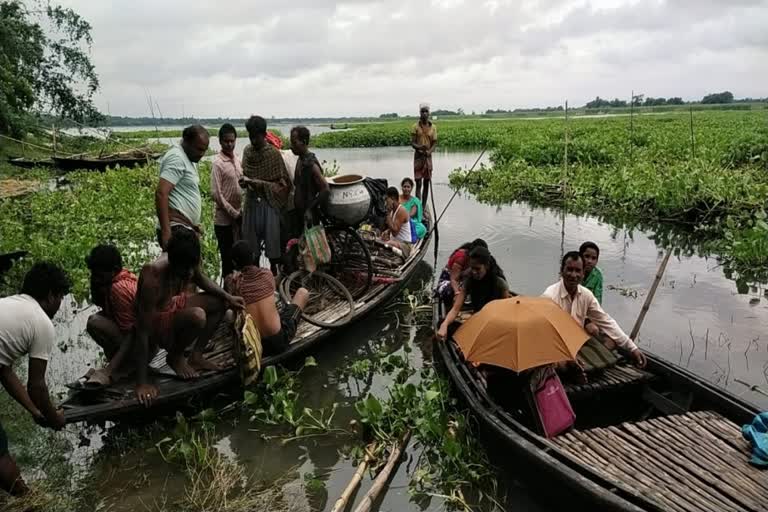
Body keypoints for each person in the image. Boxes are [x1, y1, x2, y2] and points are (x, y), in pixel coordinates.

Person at [133, 229, 245, 407]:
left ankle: (196, 355)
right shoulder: (152, 277)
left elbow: (201, 279)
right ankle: (175, 356)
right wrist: (142, 383)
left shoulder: (187, 261)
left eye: (192, 267)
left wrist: (228, 297)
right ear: (173, 261)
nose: (190, 273)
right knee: (197, 316)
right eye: (186, 269)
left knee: (220, 303)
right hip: (156, 324)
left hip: (173, 306)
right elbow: (142, 330)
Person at [0, 262, 70, 496]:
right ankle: (28, 502)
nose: (60, 304)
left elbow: (4, 371)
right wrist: (54, 416)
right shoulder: (41, 322)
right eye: (60, 297)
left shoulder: (9, 305)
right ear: (51, 295)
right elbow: (37, 386)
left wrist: (35, 411)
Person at [542, 251, 646, 368]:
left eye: (578, 271)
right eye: (569, 269)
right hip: (555, 346)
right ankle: (573, 364)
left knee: (612, 342)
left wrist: (633, 348)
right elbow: (546, 334)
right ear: (562, 271)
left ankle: (578, 364)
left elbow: (606, 321)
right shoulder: (550, 296)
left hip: (577, 343)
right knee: (560, 364)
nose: (573, 275)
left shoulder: (586, 295)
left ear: (583, 274)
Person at [226, 241, 308, 356]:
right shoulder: (266, 274)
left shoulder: (232, 281)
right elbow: (273, 286)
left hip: (254, 344)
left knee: (229, 314)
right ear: (253, 256)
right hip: (278, 342)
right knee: (303, 293)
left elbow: (230, 304)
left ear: (234, 263)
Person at [240, 115, 293, 273]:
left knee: (273, 248)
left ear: (264, 135)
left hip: (269, 205)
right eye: (250, 136)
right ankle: (254, 277)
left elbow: (283, 185)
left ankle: (274, 278)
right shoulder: (247, 151)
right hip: (251, 203)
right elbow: (244, 173)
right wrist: (244, 182)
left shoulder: (273, 154)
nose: (253, 141)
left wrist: (261, 184)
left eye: (256, 137)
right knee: (251, 247)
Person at [85, 244, 138, 386]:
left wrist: (109, 370)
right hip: (140, 341)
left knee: (94, 322)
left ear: (113, 270)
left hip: (141, 345)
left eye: (98, 274)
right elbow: (99, 302)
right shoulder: (118, 278)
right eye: (93, 274)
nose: (95, 278)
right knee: (98, 319)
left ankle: (126, 367)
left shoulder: (118, 289)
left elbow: (132, 334)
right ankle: (122, 366)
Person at [436, 246, 510, 340]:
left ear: (486, 266)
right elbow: (455, 309)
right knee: (442, 324)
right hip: (477, 321)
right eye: (472, 268)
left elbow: (506, 312)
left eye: (478, 269)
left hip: (494, 324)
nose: (474, 272)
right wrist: (444, 324)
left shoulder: (499, 284)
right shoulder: (469, 280)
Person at [155, 125, 210, 250]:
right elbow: (161, 194)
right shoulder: (177, 158)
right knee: (183, 268)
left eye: (205, 150)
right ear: (186, 141)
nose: (202, 154)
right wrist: (166, 232)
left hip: (185, 227)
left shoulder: (188, 158)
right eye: (199, 149)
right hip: (176, 229)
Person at [211, 123, 243, 279]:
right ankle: (228, 297)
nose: (229, 144)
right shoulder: (217, 163)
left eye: (232, 141)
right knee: (227, 259)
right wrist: (233, 213)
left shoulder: (237, 159)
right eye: (226, 141)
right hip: (224, 221)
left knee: (239, 258)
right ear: (220, 142)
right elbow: (217, 194)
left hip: (239, 218)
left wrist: (240, 212)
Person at [289, 125, 329, 237]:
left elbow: (325, 189)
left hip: (310, 216)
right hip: (301, 213)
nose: (291, 146)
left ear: (304, 142)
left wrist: (310, 209)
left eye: (294, 142)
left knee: (311, 250)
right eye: (291, 142)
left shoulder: (311, 165)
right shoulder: (301, 159)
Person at [436, 238, 489, 308]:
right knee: (452, 292)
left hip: (464, 279)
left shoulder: (482, 261)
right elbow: (454, 279)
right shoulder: (461, 257)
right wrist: (457, 293)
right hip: (450, 281)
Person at [410, 103, 437, 206]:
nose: (424, 113)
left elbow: (434, 143)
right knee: (418, 183)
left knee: (426, 183)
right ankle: (418, 206)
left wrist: (429, 151)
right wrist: (420, 148)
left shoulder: (433, 127)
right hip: (418, 157)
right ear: (420, 113)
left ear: (429, 113)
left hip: (428, 158)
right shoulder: (415, 127)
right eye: (423, 111)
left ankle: (423, 206)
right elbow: (412, 143)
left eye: (426, 111)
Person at [381, 186, 415, 258]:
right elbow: (393, 227)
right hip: (396, 242)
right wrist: (387, 231)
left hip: (405, 245)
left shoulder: (401, 211)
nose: (385, 202)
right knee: (378, 240)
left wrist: (387, 213)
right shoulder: (392, 210)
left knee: (388, 244)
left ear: (392, 198)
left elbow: (395, 232)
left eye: (387, 199)